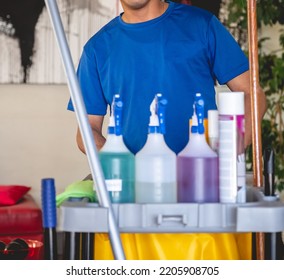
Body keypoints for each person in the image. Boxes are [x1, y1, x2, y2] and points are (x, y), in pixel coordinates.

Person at [67, 0, 267, 259]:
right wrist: (121, 162)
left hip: (202, 190)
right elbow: (86, 131)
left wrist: (232, 152)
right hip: (134, 196)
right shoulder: (97, 48)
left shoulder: (201, 25)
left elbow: (252, 92)